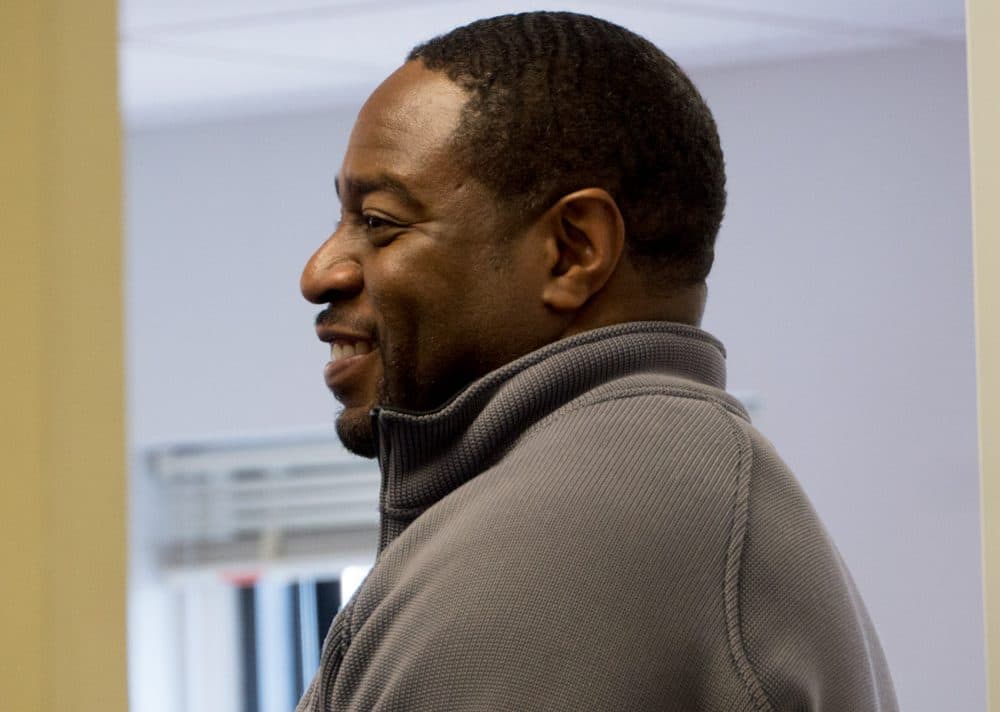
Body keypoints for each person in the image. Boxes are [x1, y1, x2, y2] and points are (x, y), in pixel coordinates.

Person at [298, 11, 897, 711]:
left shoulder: (554, 547)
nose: (320, 273)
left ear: (573, 251)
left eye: (379, 223)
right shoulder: (666, 484)